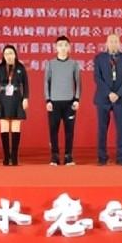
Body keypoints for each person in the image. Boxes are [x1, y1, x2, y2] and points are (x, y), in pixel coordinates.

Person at [93, 33, 122, 166]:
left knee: (121, 129)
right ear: (106, 43)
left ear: (120, 44)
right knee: (102, 128)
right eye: (111, 41)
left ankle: (121, 157)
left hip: (120, 98)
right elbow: (97, 78)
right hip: (103, 98)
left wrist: (118, 94)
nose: (113, 44)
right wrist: (109, 93)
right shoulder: (99, 58)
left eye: (116, 41)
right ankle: (102, 157)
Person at [45, 35, 81, 166]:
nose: (63, 48)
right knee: (53, 131)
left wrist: (76, 99)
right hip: (54, 102)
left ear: (69, 47)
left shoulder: (74, 64)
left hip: (69, 102)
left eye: (65, 45)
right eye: (60, 45)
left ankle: (68, 156)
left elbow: (78, 83)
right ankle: (54, 156)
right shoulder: (50, 64)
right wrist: (48, 100)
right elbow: (46, 83)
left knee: (69, 131)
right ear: (56, 48)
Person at [0, 45, 29, 166]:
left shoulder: (21, 68)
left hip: (17, 98)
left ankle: (14, 157)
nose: (9, 56)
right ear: (3, 56)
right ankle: (6, 156)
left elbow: (26, 85)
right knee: (4, 128)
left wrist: (25, 98)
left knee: (15, 128)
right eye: (6, 54)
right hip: (3, 99)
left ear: (15, 55)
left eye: (11, 53)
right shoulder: (0, 68)